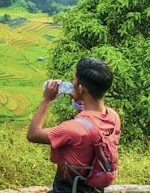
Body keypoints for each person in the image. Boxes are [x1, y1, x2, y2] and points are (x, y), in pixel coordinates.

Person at [26, 57, 121, 193]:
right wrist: (79, 100)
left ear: (82, 88)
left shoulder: (71, 129)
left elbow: (33, 134)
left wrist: (46, 100)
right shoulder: (113, 116)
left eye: (74, 81)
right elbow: (90, 124)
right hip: (95, 188)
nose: (72, 84)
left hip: (68, 189)